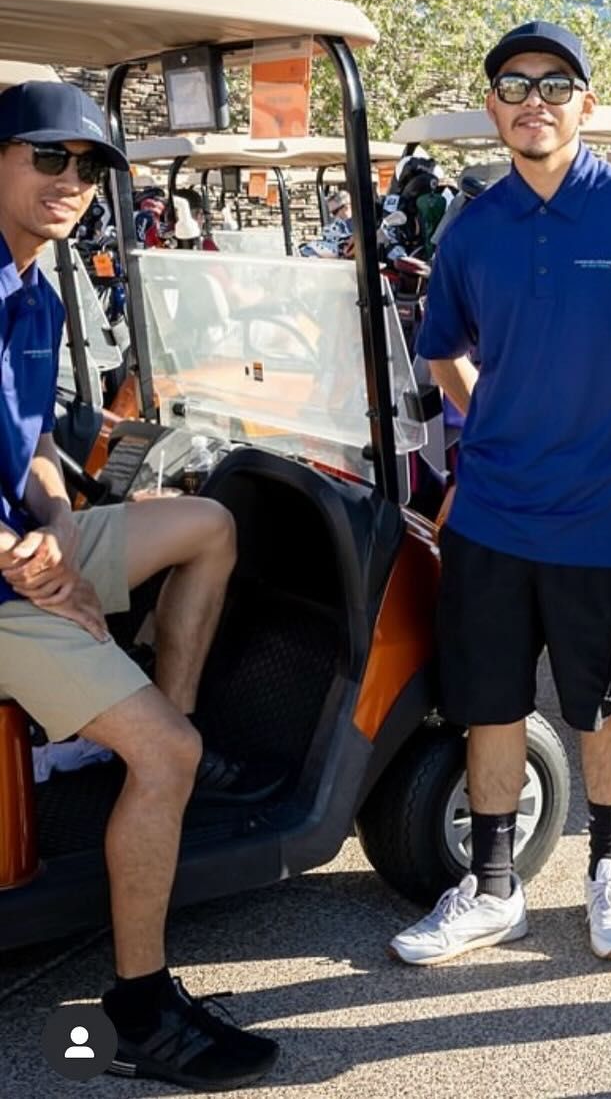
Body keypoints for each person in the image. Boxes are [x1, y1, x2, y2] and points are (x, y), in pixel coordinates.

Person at [390, 22, 611, 965]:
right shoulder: (472, 227)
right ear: (493, 107)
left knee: (600, 705)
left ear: (585, 104)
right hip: (490, 510)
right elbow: (442, 348)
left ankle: (609, 871)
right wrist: (488, 427)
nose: (535, 100)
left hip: (601, 518)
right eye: (515, 85)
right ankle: (491, 890)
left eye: (555, 84)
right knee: (489, 703)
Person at [0, 81, 281, 1091]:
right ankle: (138, 1010)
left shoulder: (34, 285)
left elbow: (28, 449)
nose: (69, 182)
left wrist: (63, 529)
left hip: (25, 553)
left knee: (208, 522)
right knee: (163, 756)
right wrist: (21, 559)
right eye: (48, 158)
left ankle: (172, 727)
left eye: (87, 168)